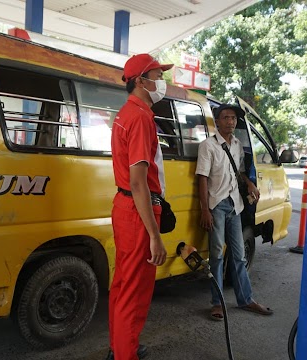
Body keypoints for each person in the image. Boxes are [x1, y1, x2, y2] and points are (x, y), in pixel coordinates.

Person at [106, 54, 172, 360]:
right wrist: (155, 235)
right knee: (134, 293)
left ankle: (120, 347)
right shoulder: (141, 117)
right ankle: (125, 354)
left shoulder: (125, 113)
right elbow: (138, 182)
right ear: (141, 81)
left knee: (122, 286)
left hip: (125, 208)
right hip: (137, 211)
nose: (162, 82)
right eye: (158, 75)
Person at [195, 103, 274, 321]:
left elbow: (238, 172)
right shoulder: (208, 146)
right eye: (226, 117)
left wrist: (249, 183)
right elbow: (202, 178)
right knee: (217, 256)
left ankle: (246, 299)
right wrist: (205, 210)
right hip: (216, 205)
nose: (231, 121)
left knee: (238, 256)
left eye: (234, 118)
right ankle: (217, 303)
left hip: (235, 205)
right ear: (217, 121)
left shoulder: (238, 144)